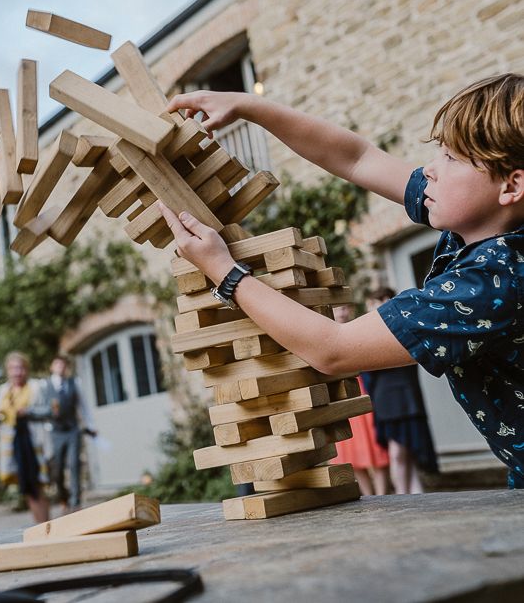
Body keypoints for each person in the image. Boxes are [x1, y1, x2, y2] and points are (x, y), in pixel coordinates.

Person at [159, 73, 524, 489]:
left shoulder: (497, 280)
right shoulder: (476, 223)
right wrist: (249, 106)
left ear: (511, 185)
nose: (430, 170)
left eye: (453, 159)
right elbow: (357, 158)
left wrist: (225, 272)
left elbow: (334, 350)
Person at [362, 287, 438, 494]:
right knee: (400, 454)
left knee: (404, 453)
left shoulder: (403, 327)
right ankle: (409, 495)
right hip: (385, 401)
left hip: (406, 398)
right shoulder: (368, 334)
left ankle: (406, 496)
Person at [328, 304, 390, 496]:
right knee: (350, 453)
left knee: (376, 450)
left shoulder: (360, 330)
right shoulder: (326, 338)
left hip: (366, 395)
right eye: (337, 309)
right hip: (342, 400)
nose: (341, 312)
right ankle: (368, 495)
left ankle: (382, 495)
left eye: (344, 308)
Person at [0, 351, 49, 523]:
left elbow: (49, 411)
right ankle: (40, 526)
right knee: (27, 485)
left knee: (38, 483)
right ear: (8, 371)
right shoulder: (3, 391)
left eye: (21, 368)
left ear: (26, 369)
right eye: (14, 368)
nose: (17, 372)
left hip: (34, 441)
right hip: (14, 444)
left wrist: (28, 411)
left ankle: (47, 525)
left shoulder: (36, 387)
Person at [40, 355, 97, 512]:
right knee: (57, 469)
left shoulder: (74, 383)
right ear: (52, 367)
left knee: (74, 464)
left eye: (63, 364)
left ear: (66, 368)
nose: (60, 367)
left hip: (72, 430)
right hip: (55, 432)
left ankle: (76, 501)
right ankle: (63, 497)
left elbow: (83, 406)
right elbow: (40, 408)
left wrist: (91, 425)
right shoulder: (44, 385)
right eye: (57, 363)